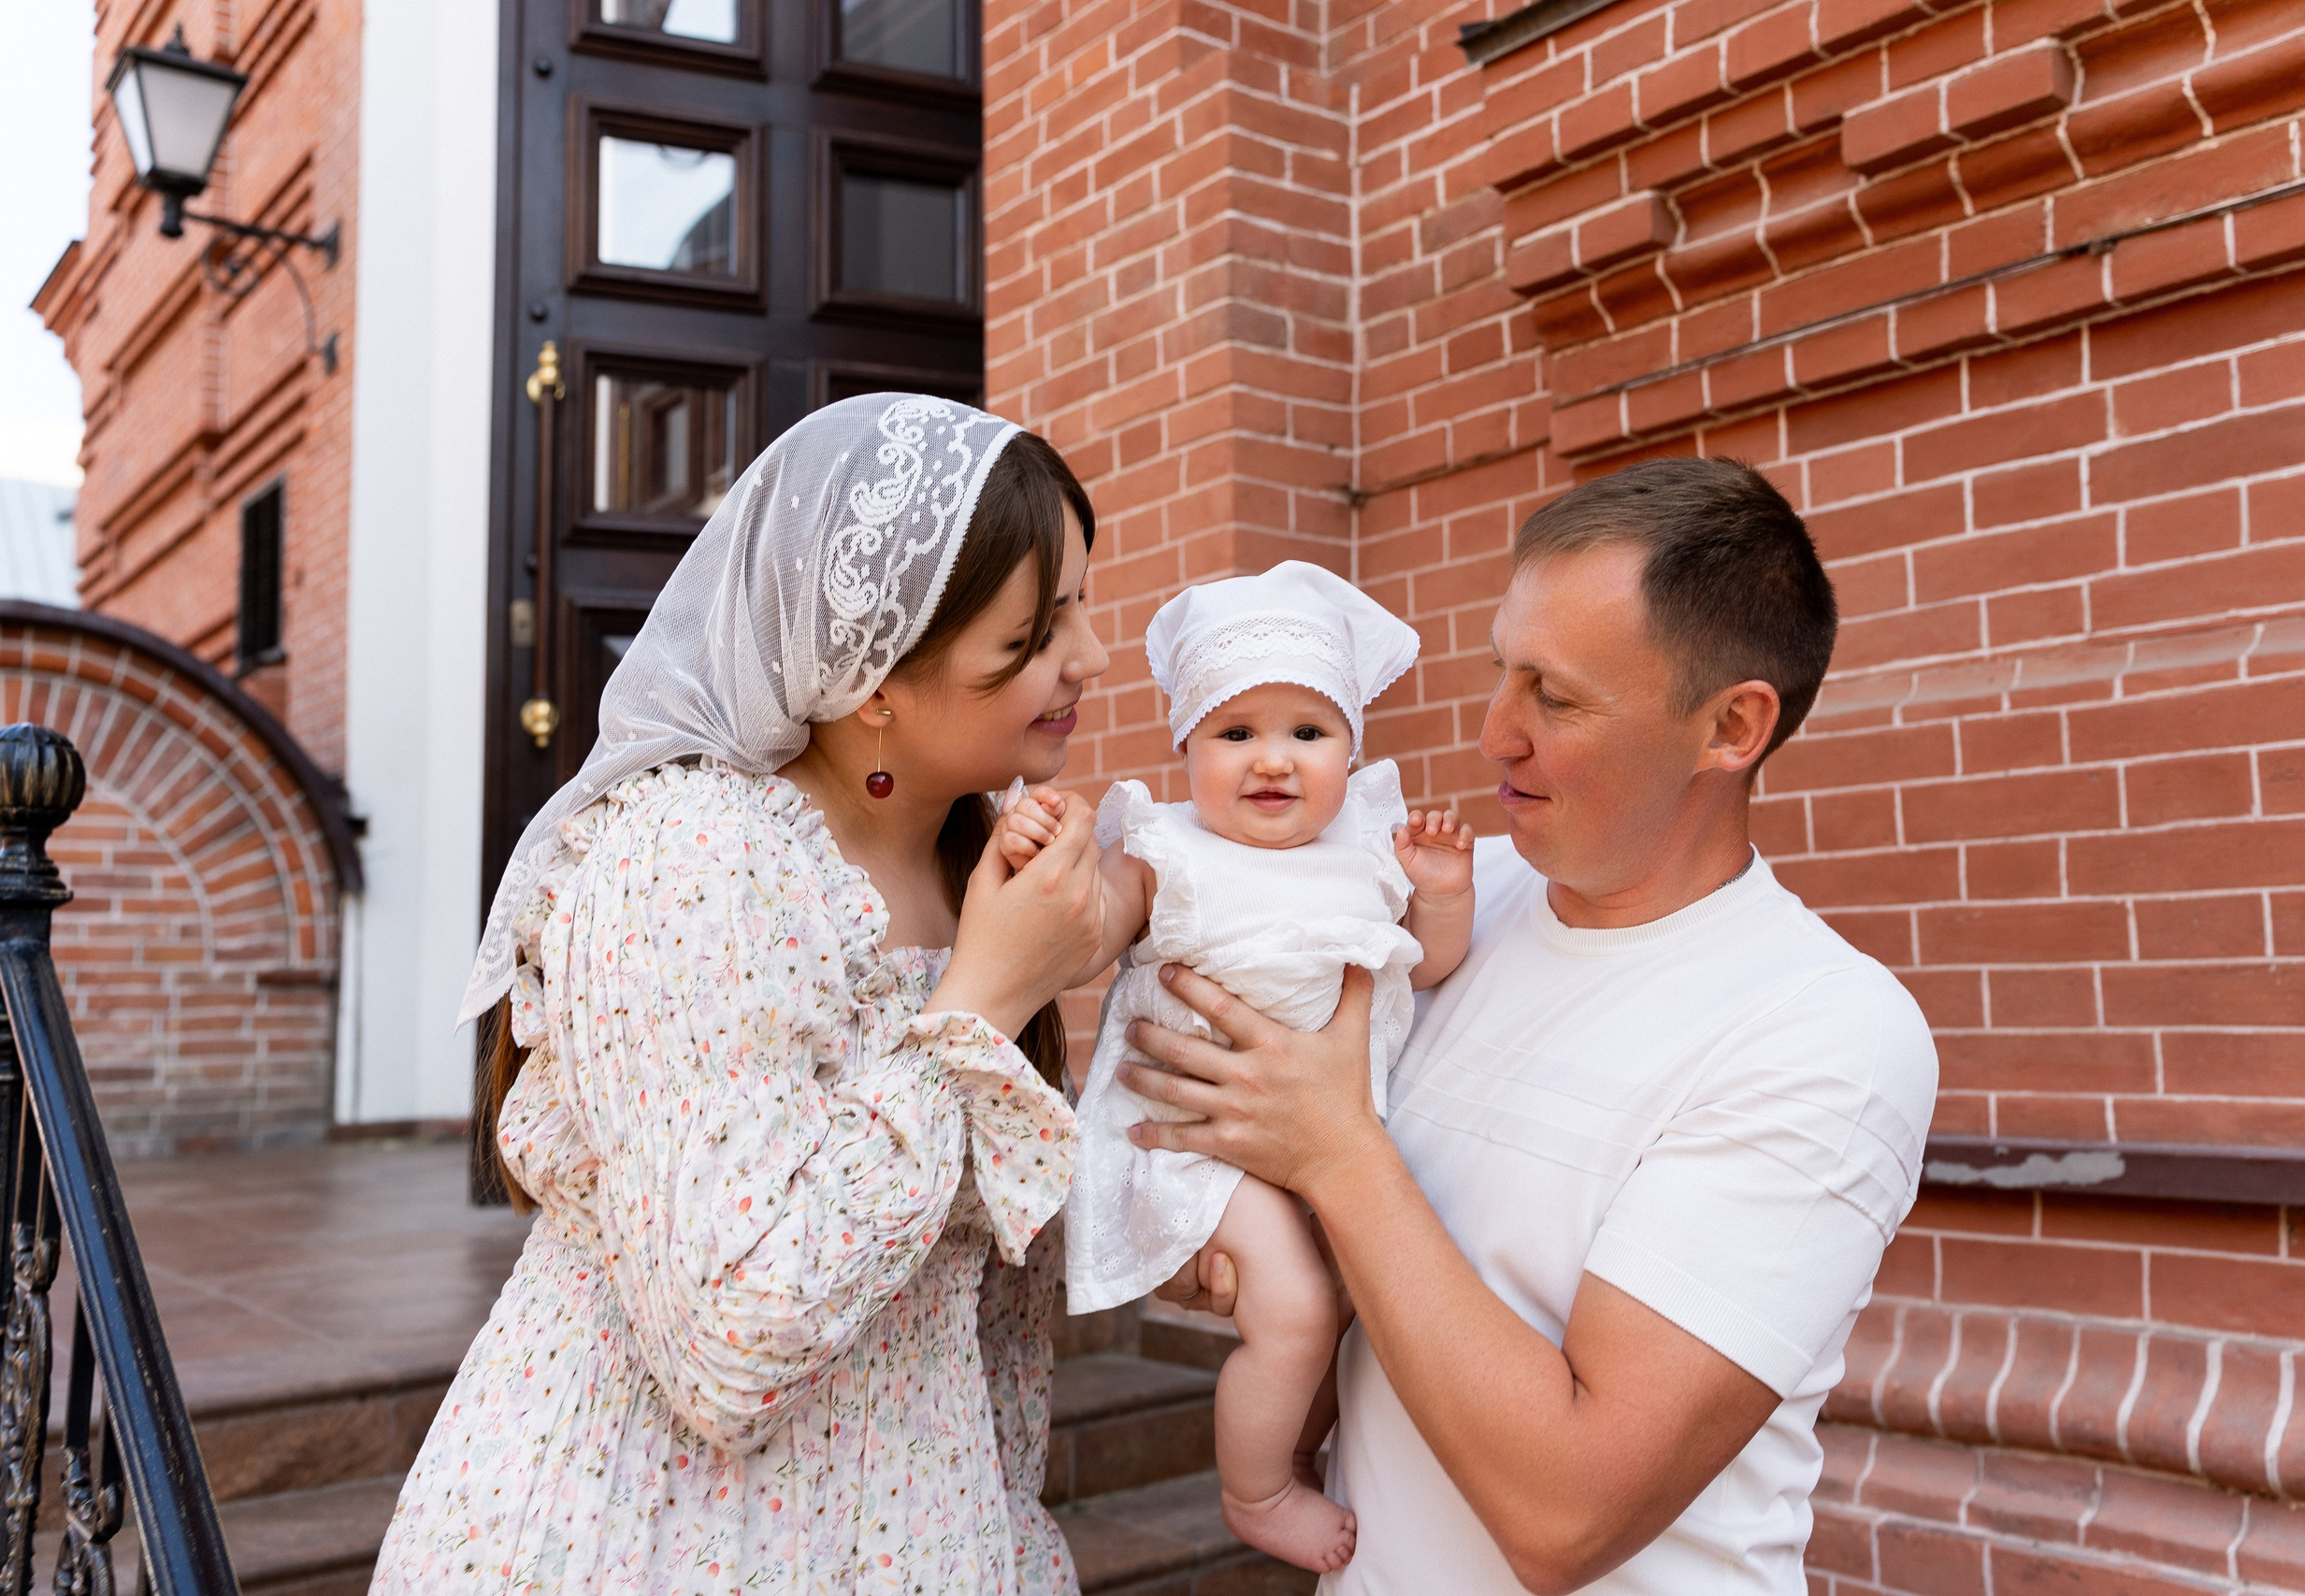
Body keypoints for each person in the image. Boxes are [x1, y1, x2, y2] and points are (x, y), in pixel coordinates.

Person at [1116, 458, 1939, 1595]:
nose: (1496, 731)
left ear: (1730, 726)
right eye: (1503, 669)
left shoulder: (1819, 1034)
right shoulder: (1430, 901)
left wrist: (1330, 1149)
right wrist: (1207, 1230)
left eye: (1555, 696)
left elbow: (1567, 1513)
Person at [372, 394, 1112, 1595]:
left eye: (1079, 604)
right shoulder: (692, 860)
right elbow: (731, 1338)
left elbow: (976, 1300)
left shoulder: (978, 866)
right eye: (1031, 636)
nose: (1087, 657)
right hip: (643, 1539)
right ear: (874, 681)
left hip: (912, 1528)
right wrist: (978, 1005)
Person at [996, 562, 1476, 1573]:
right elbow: (1078, 936)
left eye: (1308, 732)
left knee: (1353, 1294)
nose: (1273, 760)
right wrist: (1043, 847)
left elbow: (1427, 966)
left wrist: (1438, 893)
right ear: (1186, 747)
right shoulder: (1167, 849)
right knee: (1299, 1305)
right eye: (1235, 732)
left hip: (1318, 1137)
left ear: (1350, 747)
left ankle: (1296, 1447)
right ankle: (1254, 1492)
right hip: (1197, 1143)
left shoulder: (1364, 855)